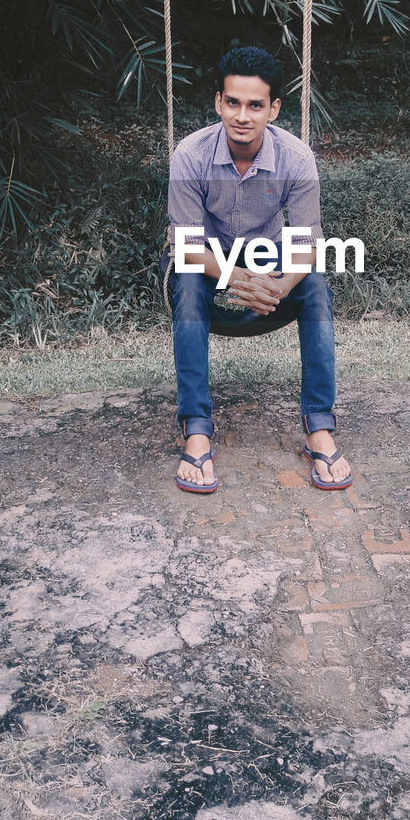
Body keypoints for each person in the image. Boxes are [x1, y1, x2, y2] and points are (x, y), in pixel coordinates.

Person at [163, 45, 352, 494]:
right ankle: (196, 429)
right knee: (188, 288)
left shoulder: (295, 157)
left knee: (316, 287)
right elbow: (186, 246)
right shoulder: (191, 155)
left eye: (255, 105)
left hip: (267, 262)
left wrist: (279, 286)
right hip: (205, 261)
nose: (242, 116)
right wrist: (236, 278)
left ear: (273, 108)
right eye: (233, 103)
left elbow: (307, 242)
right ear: (218, 103)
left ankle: (319, 427)